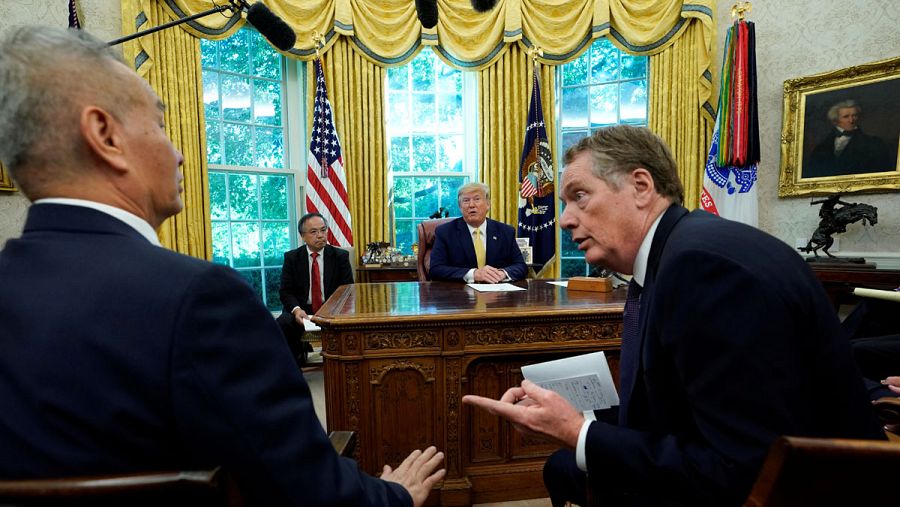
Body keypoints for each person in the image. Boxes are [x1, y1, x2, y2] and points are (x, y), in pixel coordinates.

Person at [0, 27, 444, 506]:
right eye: (160, 125)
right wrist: (397, 495)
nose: (179, 154)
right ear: (105, 135)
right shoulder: (200, 299)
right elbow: (309, 491)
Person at [463, 125, 883, 506]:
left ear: (641, 186)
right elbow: (684, 411)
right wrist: (568, 417)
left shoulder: (702, 268)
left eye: (579, 196)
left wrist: (577, 432)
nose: (565, 219)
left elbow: (743, 472)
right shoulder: (676, 252)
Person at [277, 212, 354, 364]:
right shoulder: (292, 258)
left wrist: (332, 311)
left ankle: (342, 364)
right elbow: (286, 291)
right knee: (283, 323)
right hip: (302, 309)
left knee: (349, 323)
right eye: (313, 232)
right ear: (303, 236)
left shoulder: (340, 256)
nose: (320, 235)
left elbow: (347, 290)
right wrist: (297, 310)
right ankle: (294, 366)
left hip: (332, 309)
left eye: (323, 230)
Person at [428, 182, 527, 283]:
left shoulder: (506, 232)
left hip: (497, 290)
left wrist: (502, 274)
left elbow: (521, 266)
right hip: (461, 291)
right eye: (466, 200)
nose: (471, 205)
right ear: (460, 207)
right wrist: (473, 274)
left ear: (488, 204)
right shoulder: (445, 232)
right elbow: (435, 270)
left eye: (477, 199)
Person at [806, 99, 894, 177]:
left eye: (854, 115)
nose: (851, 120)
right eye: (846, 117)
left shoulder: (874, 143)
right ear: (835, 120)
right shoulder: (821, 148)